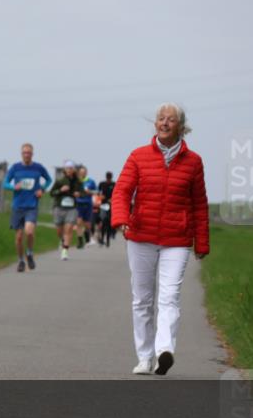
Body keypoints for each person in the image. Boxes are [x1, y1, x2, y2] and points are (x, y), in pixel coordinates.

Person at [112, 103, 209, 377]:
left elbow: (200, 204)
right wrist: (121, 217)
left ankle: (164, 350)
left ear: (181, 126)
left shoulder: (193, 162)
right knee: (142, 299)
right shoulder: (138, 156)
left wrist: (201, 242)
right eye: (161, 119)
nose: (165, 123)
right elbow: (121, 191)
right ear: (155, 124)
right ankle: (144, 357)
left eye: (171, 120)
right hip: (141, 236)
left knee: (170, 297)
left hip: (176, 240)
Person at [2, 144, 53, 272]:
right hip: (18, 206)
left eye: (29, 153)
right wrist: (13, 187)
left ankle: (29, 253)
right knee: (19, 237)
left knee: (29, 232)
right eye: (24, 153)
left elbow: (49, 180)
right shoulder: (15, 168)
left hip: (32, 205)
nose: (26, 155)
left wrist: (42, 189)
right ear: (21, 154)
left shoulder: (38, 168)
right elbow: (5, 183)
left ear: (32, 154)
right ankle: (20, 261)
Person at [51, 160, 84, 260]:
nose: (69, 170)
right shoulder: (60, 180)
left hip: (72, 208)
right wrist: (60, 190)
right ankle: (62, 240)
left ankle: (65, 251)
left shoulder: (78, 181)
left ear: (74, 169)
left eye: (71, 168)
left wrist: (79, 194)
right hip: (59, 207)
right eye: (67, 168)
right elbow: (52, 193)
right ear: (64, 169)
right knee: (59, 230)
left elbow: (82, 192)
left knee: (69, 228)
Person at [75, 165, 97, 248]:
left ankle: (87, 236)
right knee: (79, 222)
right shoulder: (76, 181)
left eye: (84, 172)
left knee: (87, 224)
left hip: (88, 204)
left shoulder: (91, 181)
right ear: (79, 173)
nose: (82, 173)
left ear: (86, 172)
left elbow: (96, 191)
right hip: (79, 204)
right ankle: (80, 240)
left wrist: (90, 191)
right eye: (81, 172)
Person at [97, 172, 116, 246]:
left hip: (111, 205)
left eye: (109, 177)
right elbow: (98, 193)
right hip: (103, 205)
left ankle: (108, 239)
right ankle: (102, 237)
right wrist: (101, 196)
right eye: (108, 177)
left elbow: (116, 193)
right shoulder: (102, 184)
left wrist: (112, 199)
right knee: (103, 221)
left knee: (109, 223)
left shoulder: (114, 184)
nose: (108, 178)